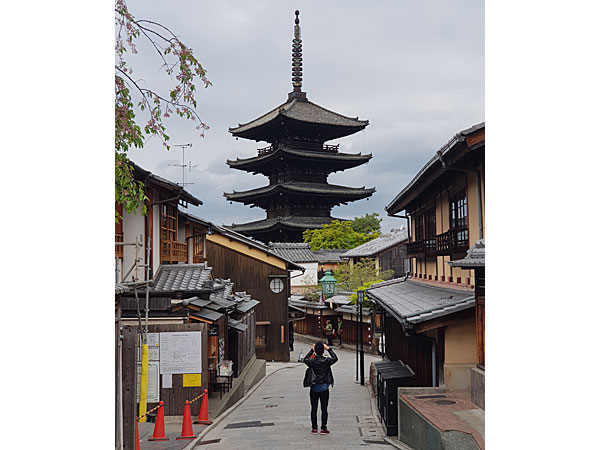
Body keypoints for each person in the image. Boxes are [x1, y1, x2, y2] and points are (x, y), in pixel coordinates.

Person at [303, 342, 338, 434]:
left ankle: (314, 428)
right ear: (323, 351)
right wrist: (329, 349)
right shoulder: (326, 361)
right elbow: (335, 358)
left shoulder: (312, 361)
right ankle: (323, 428)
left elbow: (305, 359)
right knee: (324, 409)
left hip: (314, 388)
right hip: (324, 388)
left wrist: (312, 350)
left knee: (313, 408)